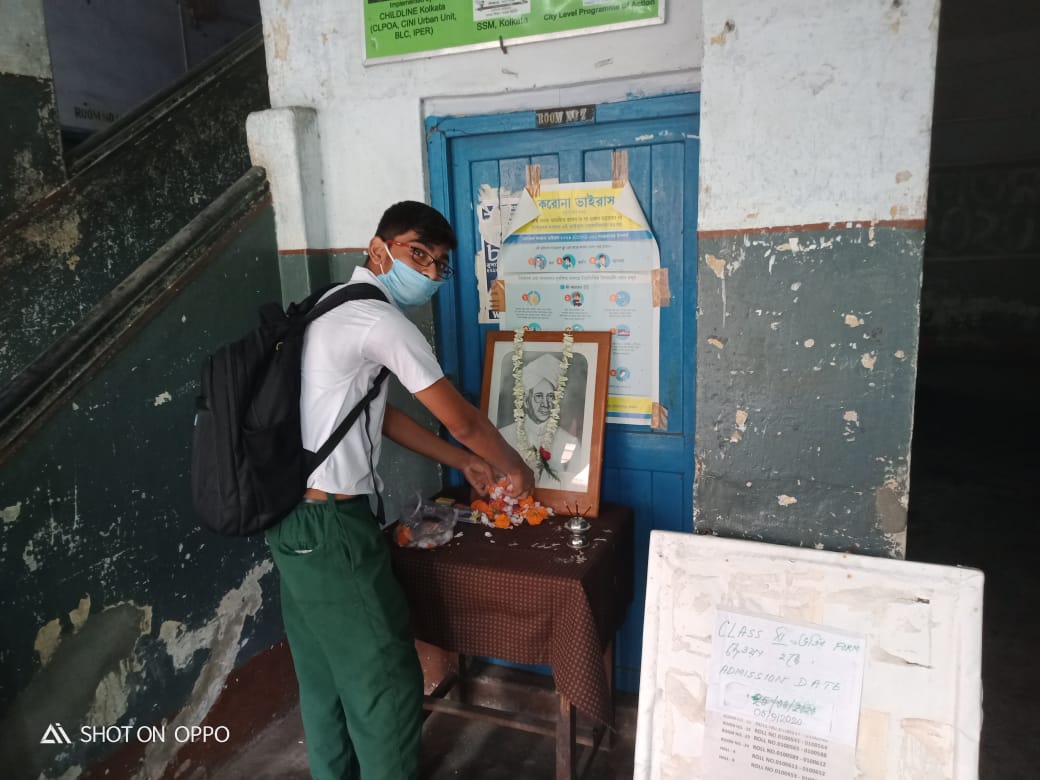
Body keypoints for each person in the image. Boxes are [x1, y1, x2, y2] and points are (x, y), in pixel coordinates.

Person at [264, 200, 535, 780]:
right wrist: (515, 467)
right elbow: (462, 419)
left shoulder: (327, 305)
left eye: (438, 264)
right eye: (418, 254)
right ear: (378, 248)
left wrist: (463, 462)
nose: (429, 272)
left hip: (292, 519)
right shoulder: (379, 321)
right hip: (332, 527)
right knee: (385, 680)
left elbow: (377, 415)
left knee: (325, 679)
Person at [497, 353, 584, 488]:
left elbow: (577, 487)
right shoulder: (502, 436)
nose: (545, 404)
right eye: (538, 396)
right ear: (526, 401)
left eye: (550, 396)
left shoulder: (570, 442)